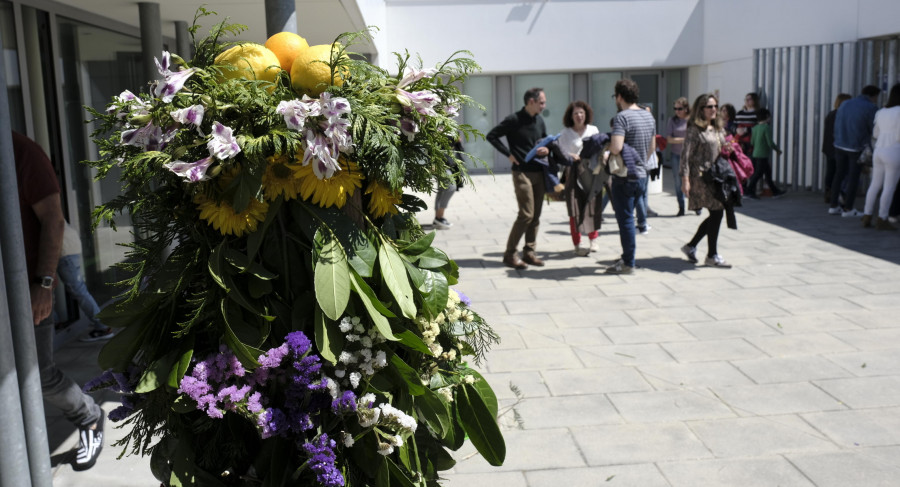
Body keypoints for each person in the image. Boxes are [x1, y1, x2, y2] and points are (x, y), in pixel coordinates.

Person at [12, 131, 104, 471]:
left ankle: (90, 416)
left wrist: (44, 284)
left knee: (38, 375)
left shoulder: (21, 153)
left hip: (26, 290)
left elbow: (53, 220)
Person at [487, 87, 549, 269]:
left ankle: (529, 252)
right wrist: (509, 154)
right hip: (521, 172)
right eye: (542, 102)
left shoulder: (539, 120)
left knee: (536, 215)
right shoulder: (513, 120)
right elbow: (492, 136)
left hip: (539, 171)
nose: (544, 106)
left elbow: (545, 140)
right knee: (526, 214)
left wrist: (547, 149)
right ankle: (510, 254)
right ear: (531, 101)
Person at [605, 79, 656, 275]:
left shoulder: (622, 117)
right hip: (642, 175)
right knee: (630, 217)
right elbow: (651, 148)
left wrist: (606, 148)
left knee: (625, 219)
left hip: (625, 176)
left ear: (619, 96)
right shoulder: (648, 116)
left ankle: (628, 262)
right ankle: (628, 256)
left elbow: (617, 147)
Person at [679, 94, 732, 268]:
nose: (714, 109)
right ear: (701, 109)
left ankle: (692, 246)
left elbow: (722, 147)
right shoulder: (695, 129)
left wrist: (729, 147)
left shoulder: (717, 127)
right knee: (717, 211)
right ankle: (711, 255)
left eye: (715, 105)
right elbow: (685, 156)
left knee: (717, 212)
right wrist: (685, 180)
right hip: (701, 178)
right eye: (710, 106)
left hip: (716, 177)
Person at [828, 85, 881, 217]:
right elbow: (873, 129)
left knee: (838, 175)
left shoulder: (845, 103)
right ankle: (848, 209)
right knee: (853, 177)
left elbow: (837, 122)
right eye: (876, 98)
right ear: (873, 96)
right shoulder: (871, 108)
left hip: (839, 144)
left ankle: (833, 206)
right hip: (855, 147)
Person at [56, 222, 115, 341]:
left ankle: (102, 327)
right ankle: (101, 325)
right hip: (68, 246)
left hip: (64, 249)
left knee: (78, 290)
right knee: (78, 289)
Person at [558, 101, 601, 256]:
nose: (579, 116)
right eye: (575, 113)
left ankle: (593, 239)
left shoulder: (593, 130)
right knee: (574, 208)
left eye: (581, 112)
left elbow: (600, 149)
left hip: (590, 171)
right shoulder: (565, 133)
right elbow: (560, 153)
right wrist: (570, 156)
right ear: (571, 116)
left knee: (591, 206)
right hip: (572, 172)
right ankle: (577, 243)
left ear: (586, 114)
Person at [862, 83, 900, 230]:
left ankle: (867, 215)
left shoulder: (882, 111)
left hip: (879, 151)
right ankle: (882, 218)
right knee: (889, 187)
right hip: (894, 151)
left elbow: (876, 134)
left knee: (875, 185)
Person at [745, 108, 784, 199]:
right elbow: (770, 142)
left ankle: (775, 191)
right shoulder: (766, 127)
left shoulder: (755, 128)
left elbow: (752, 142)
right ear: (767, 117)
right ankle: (749, 191)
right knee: (758, 174)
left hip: (755, 153)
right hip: (763, 154)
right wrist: (777, 150)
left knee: (767, 173)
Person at [822, 93, 853, 203]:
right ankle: (837, 194)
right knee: (840, 172)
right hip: (838, 147)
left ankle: (828, 193)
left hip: (828, 147)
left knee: (831, 171)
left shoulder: (831, 114)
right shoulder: (842, 114)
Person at [433, 138, 464, 230]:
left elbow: (459, 146)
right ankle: (439, 216)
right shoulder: (437, 126)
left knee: (442, 189)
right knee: (451, 187)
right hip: (439, 162)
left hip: (450, 162)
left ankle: (438, 218)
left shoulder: (452, 127)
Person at [667, 97, 690, 215]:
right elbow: (669, 139)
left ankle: (696, 204)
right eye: (675, 108)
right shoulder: (672, 120)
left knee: (693, 180)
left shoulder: (692, 120)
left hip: (691, 155)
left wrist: (679, 140)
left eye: (679, 108)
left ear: (686, 108)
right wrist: (684, 140)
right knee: (678, 181)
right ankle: (681, 207)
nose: (677, 111)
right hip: (676, 155)